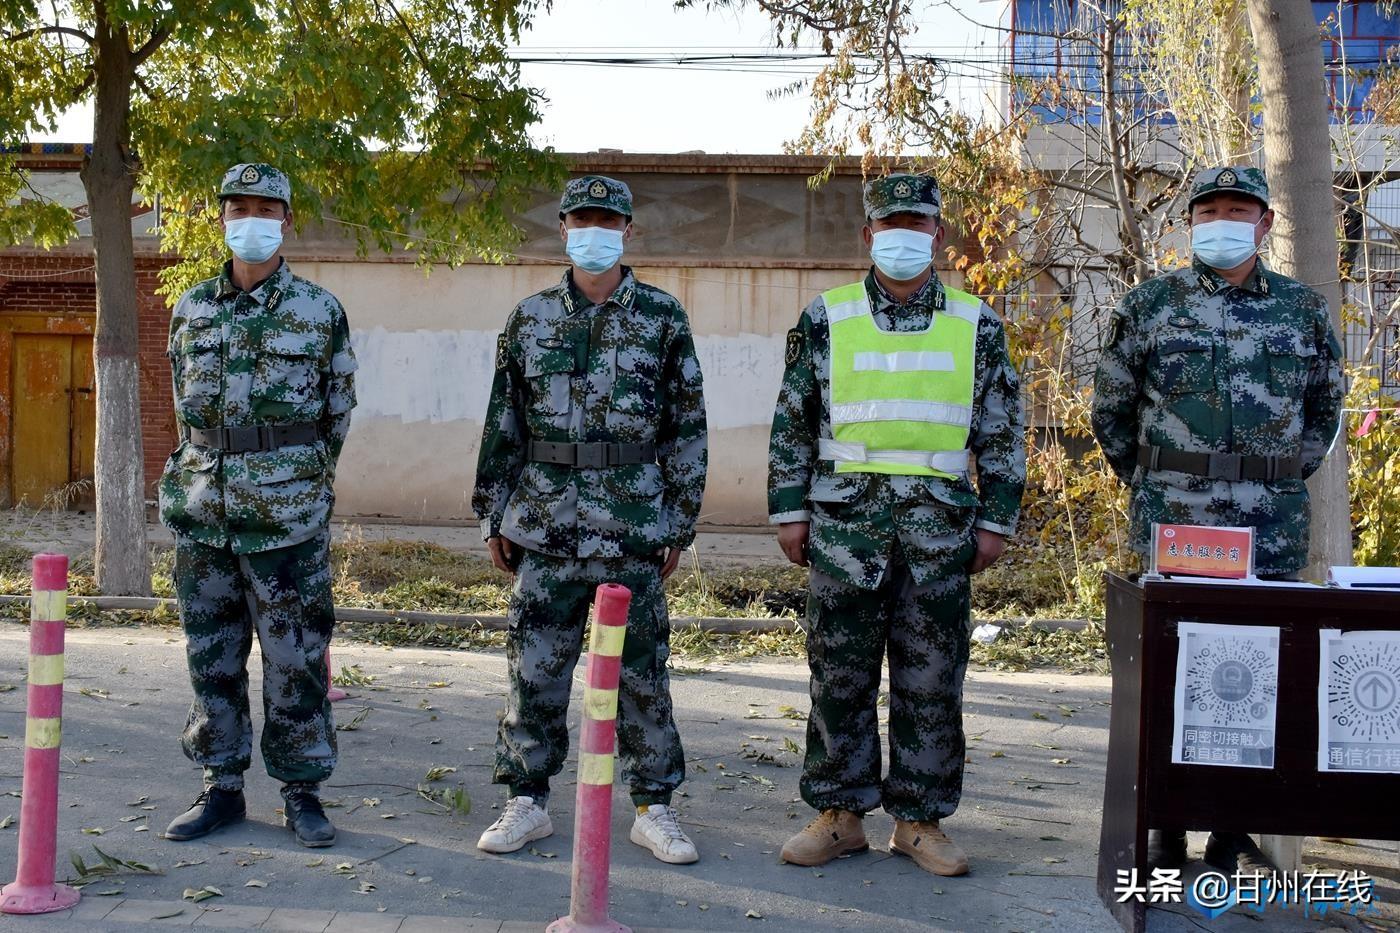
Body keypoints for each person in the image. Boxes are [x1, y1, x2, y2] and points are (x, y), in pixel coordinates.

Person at [767, 173, 1025, 876]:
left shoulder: (978, 324)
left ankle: (919, 819)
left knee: (932, 679)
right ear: (868, 235)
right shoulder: (827, 317)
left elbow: (1002, 432)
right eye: (890, 224)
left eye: (918, 224)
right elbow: (794, 420)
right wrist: (788, 512)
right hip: (845, 531)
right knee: (838, 676)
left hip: (939, 532)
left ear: (939, 235)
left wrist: (998, 517)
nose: (904, 237)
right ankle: (840, 814)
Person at [1091, 165, 1344, 875]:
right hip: (1175, 522)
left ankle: (1233, 828)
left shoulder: (1301, 310)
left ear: (1265, 224)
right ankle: (1163, 826)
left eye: (1239, 209)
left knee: (1258, 677)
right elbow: (1110, 414)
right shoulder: (1149, 307)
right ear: (1191, 223)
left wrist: (1274, 481)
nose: (1223, 221)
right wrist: (1161, 482)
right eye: (1210, 211)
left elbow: (1323, 417)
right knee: (1167, 677)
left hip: (1270, 526)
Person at [471, 175, 708, 864]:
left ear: (628, 230)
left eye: (608, 219)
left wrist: (678, 521)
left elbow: (686, 427)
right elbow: (503, 421)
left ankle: (654, 805)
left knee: (642, 671)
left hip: (632, 520)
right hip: (545, 523)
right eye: (583, 218)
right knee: (534, 668)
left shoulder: (662, 319)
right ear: (564, 226)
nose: (595, 230)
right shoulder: (531, 318)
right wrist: (495, 511)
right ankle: (527, 798)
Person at [159, 163, 358, 848]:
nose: (251, 217)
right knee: (211, 657)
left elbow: (337, 414)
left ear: (287, 218)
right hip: (204, 516)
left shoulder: (318, 310)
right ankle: (221, 787)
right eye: (238, 205)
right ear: (220, 215)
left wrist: (294, 479)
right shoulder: (191, 308)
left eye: (265, 206)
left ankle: (302, 792)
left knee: (296, 658)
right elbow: (183, 405)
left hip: (286, 523)